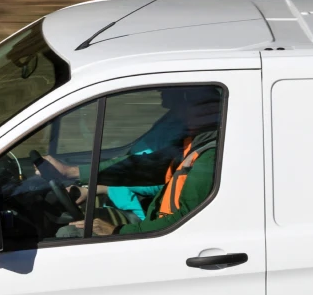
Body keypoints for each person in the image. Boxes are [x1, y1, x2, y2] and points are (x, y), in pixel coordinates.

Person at [43, 87, 221, 238]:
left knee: (68, 234)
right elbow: (144, 167)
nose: (169, 107)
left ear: (211, 108)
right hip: (155, 223)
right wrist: (73, 172)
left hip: (164, 237)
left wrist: (118, 231)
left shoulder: (210, 157)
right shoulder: (192, 141)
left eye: (181, 104)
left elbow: (187, 220)